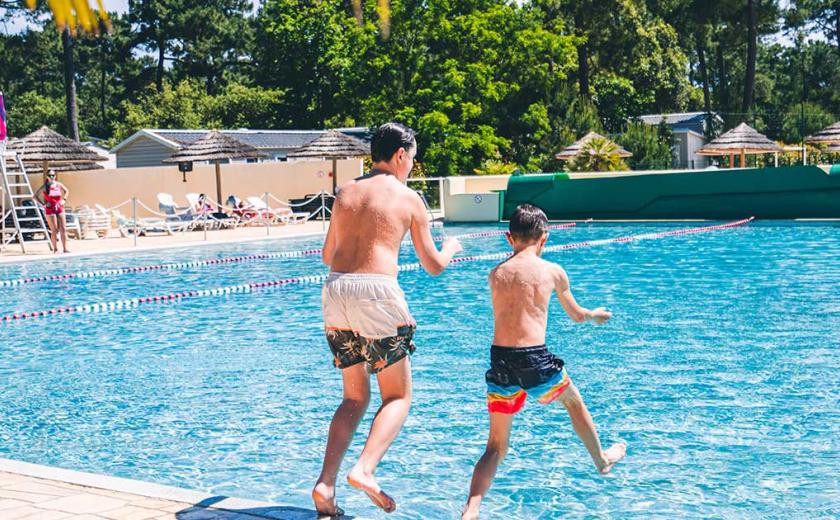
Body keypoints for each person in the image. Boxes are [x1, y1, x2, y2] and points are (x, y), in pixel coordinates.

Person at [312, 123, 463, 516]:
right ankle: (365, 469)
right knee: (397, 396)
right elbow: (432, 266)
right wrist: (451, 248)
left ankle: (325, 486)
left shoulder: (346, 192)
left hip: (336, 291)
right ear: (400, 155)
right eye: (411, 159)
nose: (411, 166)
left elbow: (328, 255)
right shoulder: (408, 197)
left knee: (353, 396)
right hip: (375, 292)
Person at [461, 204, 626, 520]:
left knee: (495, 447)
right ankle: (602, 460)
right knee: (574, 404)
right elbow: (577, 316)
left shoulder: (495, 273)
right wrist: (595, 315)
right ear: (545, 238)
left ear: (510, 238)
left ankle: (472, 508)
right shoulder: (552, 271)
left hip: (500, 363)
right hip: (534, 359)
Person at [33, 170, 70, 253]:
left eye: (53, 175)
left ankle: (65, 248)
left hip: (59, 207)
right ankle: (55, 249)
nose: (52, 177)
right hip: (50, 209)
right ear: (47, 177)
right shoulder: (45, 186)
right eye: (50, 175)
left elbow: (67, 191)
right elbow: (35, 196)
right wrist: (43, 204)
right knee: (54, 229)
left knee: (63, 228)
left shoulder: (59, 184)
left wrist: (64, 199)